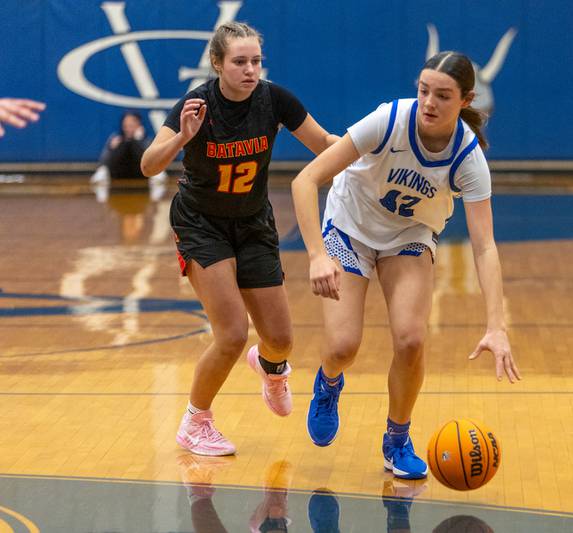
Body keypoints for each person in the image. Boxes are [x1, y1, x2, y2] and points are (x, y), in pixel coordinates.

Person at [292, 51, 521, 480]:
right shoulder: (388, 120)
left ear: (466, 100)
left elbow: (485, 247)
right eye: (423, 90)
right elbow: (304, 180)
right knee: (343, 346)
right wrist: (316, 255)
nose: (429, 102)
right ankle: (328, 382)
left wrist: (497, 325)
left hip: (409, 236)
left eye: (443, 95)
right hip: (350, 226)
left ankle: (396, 440)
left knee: (411, 339)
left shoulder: (469, 159)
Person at [141, 21, 338, 456]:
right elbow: (148, 166)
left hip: (252, 224)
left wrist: (366, 153)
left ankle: (270, 367)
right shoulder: (195, 105)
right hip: (201, 224)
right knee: (231, 333)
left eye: (256, 61)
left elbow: (324, 142)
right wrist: (181, 139)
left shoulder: (275, 99)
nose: (250, 70)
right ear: (217, 64)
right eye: (240, 62)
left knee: (282, 339)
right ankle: (196, 421)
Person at [91, 111, 168, 202]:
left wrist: (138, 141)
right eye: (126, 125)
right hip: (119, 173)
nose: (128, 128)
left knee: (140, 149)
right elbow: (103, 160)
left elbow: (152, 159)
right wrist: (113, 148)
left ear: (138, 125)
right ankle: (103, 175)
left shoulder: (146, 140)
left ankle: (157, 176)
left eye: (131, 125)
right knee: (120, 147)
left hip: (141, 172)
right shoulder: (116, 139)